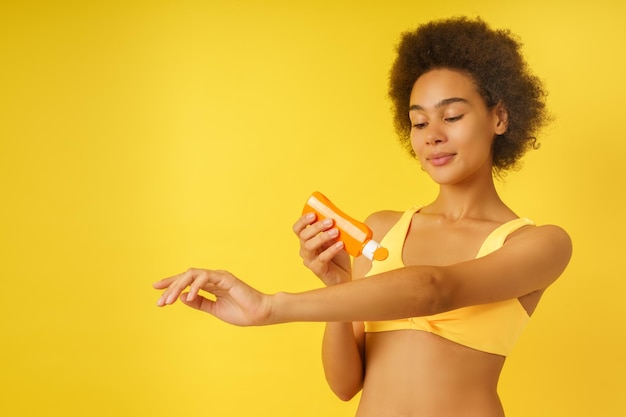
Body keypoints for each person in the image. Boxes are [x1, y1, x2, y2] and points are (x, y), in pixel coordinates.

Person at [153, 16, 572, 417]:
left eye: (453, 116)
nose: (433, 135)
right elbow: (344, 384)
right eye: (419, 122)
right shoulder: (384, 230)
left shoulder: (538, 245)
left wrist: (271, 307)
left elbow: (433, 288)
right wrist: (340, 287)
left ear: (499, 117)